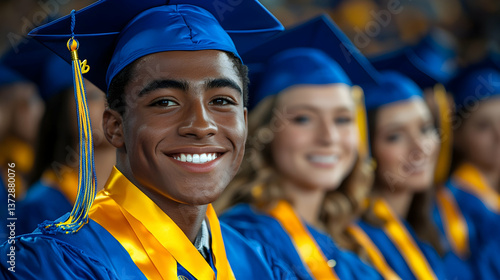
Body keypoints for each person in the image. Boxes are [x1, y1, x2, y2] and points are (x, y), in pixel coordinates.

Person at [0, 1, 294, 279]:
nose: (202, 125)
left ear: (244, 119)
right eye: (165, 102)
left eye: (221, 100)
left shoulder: (261, 263)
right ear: (115, 126)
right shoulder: (52, 264)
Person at [216, 15, 382, 280]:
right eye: (303, 118)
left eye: (342, 119)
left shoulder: (351, 240)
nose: (329, 137)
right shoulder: (245, 241)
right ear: (264, 131)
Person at [349, 71, 450, 280]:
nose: (420, 148)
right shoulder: (357, 243)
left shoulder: (429, 228)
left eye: (425, 129)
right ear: (365, 148)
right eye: (395, 136)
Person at [16, 50, 115, 235]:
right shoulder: (42, 206)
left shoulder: (148, 194)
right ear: (63, 111)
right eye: (93, 96)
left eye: (114, 93)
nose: (109, 104)